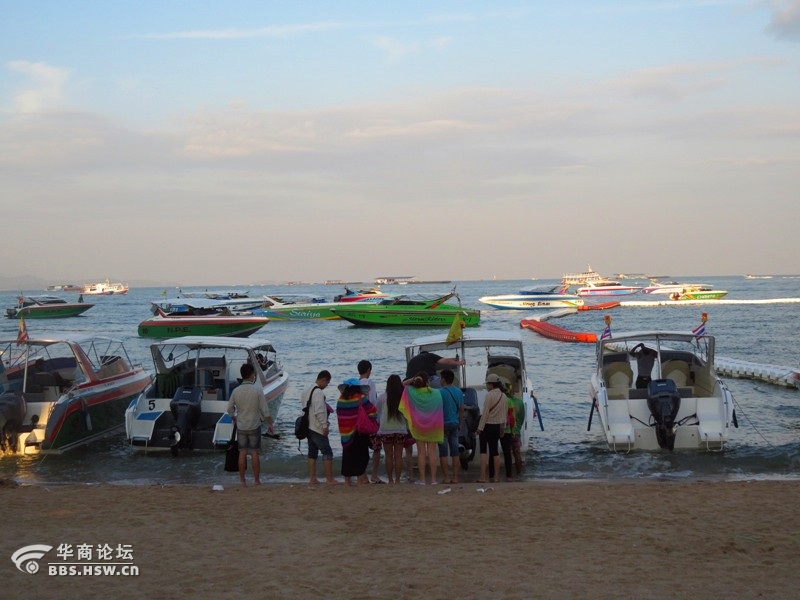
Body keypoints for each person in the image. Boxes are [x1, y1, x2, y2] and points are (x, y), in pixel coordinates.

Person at [226, 363, 273, 486]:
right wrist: (270, 423)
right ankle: (256, 480)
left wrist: (234, 418)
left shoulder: (236, 391)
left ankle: (242, 481)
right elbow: (265, 410)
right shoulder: (257, 390)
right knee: (254, 453)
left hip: (241, 426)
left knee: (242, 452)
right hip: (254, 425)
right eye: (254, 374)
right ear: (252, 375)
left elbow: (229, 409)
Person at [399, 371, 443, 485]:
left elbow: (402, 384)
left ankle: (422, 480)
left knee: (421, 453)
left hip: (419, 427)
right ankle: (433, 480)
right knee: (432, 453)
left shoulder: (411, 392)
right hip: (433, 427)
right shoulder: (436, 393)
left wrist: (413, 379)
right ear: (427, 382)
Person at [336, 377, 377, 486]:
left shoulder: (341, 399)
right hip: (359, 432)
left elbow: (340, 415)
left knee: (347, 457)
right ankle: (360, 480)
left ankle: (347, 482)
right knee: (362, 456)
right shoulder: (361, 398)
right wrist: (372, 421)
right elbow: (372, 411)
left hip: (345, 433)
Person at [303, 370, 338, 485]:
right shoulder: (318, 392)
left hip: (308, 426)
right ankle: (329, 479)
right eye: (327, 383)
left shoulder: (307, 390)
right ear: (323, 379)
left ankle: (312, 478)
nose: (327, 385)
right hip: (317, 427)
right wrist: (324, 426)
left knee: (312, 453)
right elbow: (319, 412)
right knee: (327, 452)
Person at [375, 374, 409, 484]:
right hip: (400, 429)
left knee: (388, 456)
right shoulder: (403, 397)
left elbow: (378, 412)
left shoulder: (382, 397)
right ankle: (398, 480)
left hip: (386, 429)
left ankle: (390, 480)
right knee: (398, 456)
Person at [476, 373, 507, 483]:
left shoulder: (489, 395)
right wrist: (502, 428)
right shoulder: (504, 396)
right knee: (495, 452)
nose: (487, 386)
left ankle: (483, 477)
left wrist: (479, 428)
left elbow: (485, 414)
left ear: (491, 384)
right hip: (497, 426)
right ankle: (496, 477)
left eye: (487, 384)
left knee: (483, 451)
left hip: (487, 426)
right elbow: (504, 414)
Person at [358, 359, 383, 484]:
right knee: (376, 448)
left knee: (361, 449)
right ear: (368, 370)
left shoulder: (355, 384)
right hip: (370, 421)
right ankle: (374, 475)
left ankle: (362, 475)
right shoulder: (370, 383)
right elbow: (373, 401)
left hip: (358, 422)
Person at [437, 369, 464, 484]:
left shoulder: (439, 392)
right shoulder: (458, 391)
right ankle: (455, 477)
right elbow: (461, 409)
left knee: (443, 453)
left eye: (440, 378)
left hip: (442, 425)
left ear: (443, 379)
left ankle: (446, 478)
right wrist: (460, 423)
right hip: (454, 424)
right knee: (455, 452)